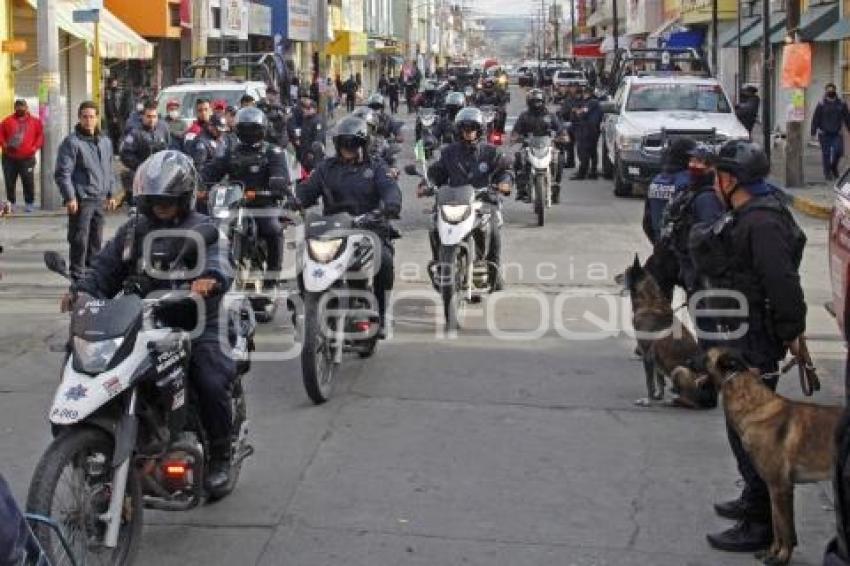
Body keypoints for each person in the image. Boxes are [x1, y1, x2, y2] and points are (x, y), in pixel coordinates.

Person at [65, 150, 237, 493]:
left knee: (209, 378)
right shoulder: (134, 230)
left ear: (184, 198)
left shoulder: (202, 228)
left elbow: (220, 259)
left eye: (167, 200)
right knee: (88, 363)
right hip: (142, 320)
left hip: (197, 320)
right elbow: (105, 269)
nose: (160, 206)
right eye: (154, 200)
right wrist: (82, 291)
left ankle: (220, 455)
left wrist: (211, 279)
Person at [690, 141, 807, 554]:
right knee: (739, 426)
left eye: (719, 176)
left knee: (754, 433)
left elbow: (782, 281)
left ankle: (760, 522)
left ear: (730, 179)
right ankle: (752, 500)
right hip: (741, 331)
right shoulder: (747, 213)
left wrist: (793, 331)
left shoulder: (761, 222)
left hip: (755, 339)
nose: (715, 184)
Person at [296, 116, 402, 335]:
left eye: (353, 143)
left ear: (363, 144)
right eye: (343, 143)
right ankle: (308, 307)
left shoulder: (376, 167)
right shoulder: (326, 168)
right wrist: (292, 201)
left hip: (368, 229)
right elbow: (307, 191)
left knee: (384, 261)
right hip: (331, 231)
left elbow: (390, 189)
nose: (348, 148)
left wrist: (390, 205)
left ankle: (382, 315)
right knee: (303, 258)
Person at [420, 107, 513, 290]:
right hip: (454, 201)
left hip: (484, 202)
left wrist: (504, 182)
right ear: (459, 130)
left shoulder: (491, 152)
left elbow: (504, 172)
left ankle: (493, 271)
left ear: (480, 130)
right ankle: (441, 263)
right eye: (465, 128)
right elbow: (437, 172)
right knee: (434, 225)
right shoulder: (449, 153)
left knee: (493, 227)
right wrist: (427, 183)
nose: (469, 132)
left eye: (473, 128)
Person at [203, 107, 293, 288]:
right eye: (244, 128)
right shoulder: (231, 151)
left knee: (272, 228)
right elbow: (211, 171)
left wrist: (277, 183)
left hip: (262, 202)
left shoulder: (273, 152)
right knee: (210, 227)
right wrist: (200, 185)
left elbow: (281, 176)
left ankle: (272, 277)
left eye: (253, 128)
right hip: (233, 204)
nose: (249, 133)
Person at [54, 101, 118, 281]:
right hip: (82, 200)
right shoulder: (72, 142)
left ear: (97, 118)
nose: (88, 120)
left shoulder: (105, 142)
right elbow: (62, 173)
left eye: (92, 116)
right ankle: (77, 276)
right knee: (79, 240)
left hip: (99, 199)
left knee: (96, 240)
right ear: (79, 118)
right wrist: (70, 197)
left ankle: (93, 275)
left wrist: (111, 194)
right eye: (85, 117)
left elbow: (109, 169)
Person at [511, 89, 565, 202]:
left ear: (543, 101)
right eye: (534, 101)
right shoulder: (524, 116)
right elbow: (515, 131)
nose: (537, 104)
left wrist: (562, 136)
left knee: (559, 158)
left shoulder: (550, 116)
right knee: (518, 159)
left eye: (539, 101)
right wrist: (515, 138)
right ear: (529, 102)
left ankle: (556, 186)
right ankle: (521, 189)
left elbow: (560, 129)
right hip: (528, 144)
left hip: (547, 145)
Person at [119, 101, 171, 207]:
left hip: (159, 176)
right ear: (143, 116)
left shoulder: (163, 129)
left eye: (154, 116)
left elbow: (168, 149)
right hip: (140, 176)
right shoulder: (135, 133)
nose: (151, 119)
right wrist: (142, 165)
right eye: (148, 116)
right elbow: (125, 154)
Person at [0, 99, 43, 213]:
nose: (20, 109)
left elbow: (40, 136)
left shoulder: (35, 121)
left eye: (22, 107)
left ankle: (29, 203)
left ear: (27, 107)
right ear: (15, 108)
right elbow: (1, 134)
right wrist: (4, 145)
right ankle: (11, 203)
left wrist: (34, 148)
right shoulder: (7, 121)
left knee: (28, 181)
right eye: (18, 107)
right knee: (9, 181)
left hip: (27, 159)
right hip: (9, 158)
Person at [812, 83, 850, 181]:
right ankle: (827, 173)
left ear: (835, 90)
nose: (830, 92)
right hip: (824, 133)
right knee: (826, 154)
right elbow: (816, 118)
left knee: (839, 152)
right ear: (826, 92)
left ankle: (833, 167)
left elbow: (847, 117)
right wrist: (813, 131)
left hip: (836, 133)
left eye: (832, 90)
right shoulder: (821, 104)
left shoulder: (841, 103)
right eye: (828, 90)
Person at [570, 86, 602, 180]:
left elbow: (582, 112)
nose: (584, 95)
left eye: (585, 93)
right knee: (592, 151)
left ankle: (582, 173)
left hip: (588, 130)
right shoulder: (594, 102)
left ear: (589, 93)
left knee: (584, 151)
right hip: (593, 130)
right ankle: (592, 172)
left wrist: (576, 110)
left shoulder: (592, 102)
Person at [287, 97, 325, 173]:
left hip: (313, 154)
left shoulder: (317, 121)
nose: (305, 110)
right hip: (304, 151)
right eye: (305, 108)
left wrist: (312, 152)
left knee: (313, 173)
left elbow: (318, 138)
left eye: (308, 108)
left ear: (314, 109)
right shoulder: (306, 119)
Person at [104, 78, 125, 154]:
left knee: (118, 134)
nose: (115, 85)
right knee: (112, 134)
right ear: (110, 84)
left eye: (116, 83)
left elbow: (119, 105)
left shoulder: (117, 92)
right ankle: (113, 151)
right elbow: (109, 106)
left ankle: (116, 151)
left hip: (118, 117)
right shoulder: (108, 93)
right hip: (112, 118)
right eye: (113, 84)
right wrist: (113, 117)